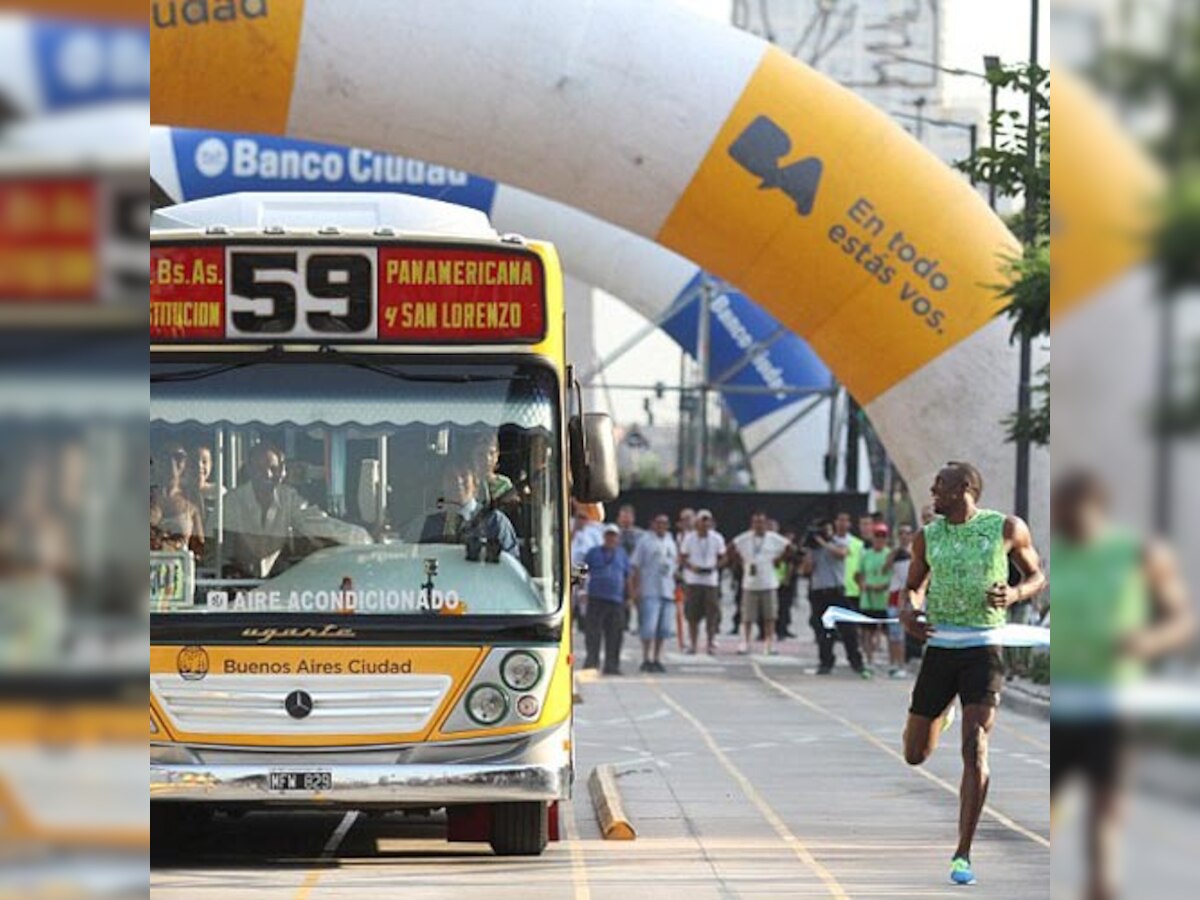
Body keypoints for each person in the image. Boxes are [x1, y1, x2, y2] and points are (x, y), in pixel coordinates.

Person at [900, 461, 1046, 887]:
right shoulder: (928, 536)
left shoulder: (1006, 528)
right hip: (941, 648)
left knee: (976, 746)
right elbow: (912, 587)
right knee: (914, 754)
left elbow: (1037, 575)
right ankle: (941, 714)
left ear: (963, 488)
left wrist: (1016, 591)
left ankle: (963, 852)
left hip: (984, 647)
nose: (932, 490)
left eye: (939, 485)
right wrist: (909, 612)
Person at [1050, 470, 1193, 900]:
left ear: (1095, 509)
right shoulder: (1059, 551)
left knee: (1106, 804)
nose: (1066, 525)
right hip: (1063, 699)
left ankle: (1102, 886)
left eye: (1072, 515)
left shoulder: (1138, 552)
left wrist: (1148, 639)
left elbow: (1182, 619)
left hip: (1113, 700)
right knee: (1055, 808)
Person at [223, 443, 371, 579]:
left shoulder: (288, 498)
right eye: (259, 469)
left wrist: (362, 538)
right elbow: (213, 549)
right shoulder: (230, 502)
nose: (267, 475)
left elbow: (316, 522)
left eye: (273, 469)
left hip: (270, 585)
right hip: (229, 584)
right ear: (249, 470)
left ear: (283, 472)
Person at [806, 513, 867, 677]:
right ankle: (825, 661)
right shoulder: (814, 548)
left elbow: (841, 554)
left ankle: (856, 662)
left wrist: (823, 542)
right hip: (819, 592)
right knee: (823, 630)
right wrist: (810, 551)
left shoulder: (838, 542)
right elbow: (806, 569)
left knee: (848, 630)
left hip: (837, 592)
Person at [420, 459, 519, 556]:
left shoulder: (495, 522)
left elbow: (511, 563)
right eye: (451, 477)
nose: (458, 481)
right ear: (442, 485)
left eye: (464, 476)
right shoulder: (429, 523)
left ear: (475, 483)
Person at [730, 511, 791, 655]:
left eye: (761, 522)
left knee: (770, 615)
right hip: (750, 583)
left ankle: (769, 642)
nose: (759, 525)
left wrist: (779, 559)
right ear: (752, 524)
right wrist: (740, 561)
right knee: (747, 616)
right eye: (756, 522)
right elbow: (731, 547)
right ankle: (745, 641)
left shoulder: (773, 538)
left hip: (768, 582)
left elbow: (789, 547)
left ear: (766, 523)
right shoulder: (745, 538)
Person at [630, 513, 678, 673]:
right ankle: (646, 657)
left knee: (664, 628)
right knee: (649, 627)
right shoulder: (645, 541)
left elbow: (674, 566)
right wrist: (636, 588)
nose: (661, 526)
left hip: (668, 589)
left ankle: (657, 657)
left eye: (664, 523)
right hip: (650, 589)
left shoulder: (671, 541)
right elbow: (636, 565)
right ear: (653, 524)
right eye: (658, 523)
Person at [583, 524, 632, 675]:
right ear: (604, 537)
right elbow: (584, 571)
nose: (611, 538)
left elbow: (627, 576)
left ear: (617, 538)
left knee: (615, 634)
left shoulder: (622, 554)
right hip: (596, 597)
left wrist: (629, 597)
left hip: (616, 599)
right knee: (593, 632)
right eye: (608, 535)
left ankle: (612, 665)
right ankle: (592, 661)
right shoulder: (593, 552)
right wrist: (581, 592)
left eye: (614, 536)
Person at [679, 509, 726, 655]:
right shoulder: (689, 538)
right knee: (693, 615)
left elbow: (723, 557)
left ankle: (710, 643)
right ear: (697, 523)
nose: (705, 524)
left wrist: (715, 567)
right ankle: (693, 644)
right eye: (702, 521)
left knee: (712, 614)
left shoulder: (717, 538)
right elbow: (682, 557)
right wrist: (692, 567)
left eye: (708, 521)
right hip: (693, 580)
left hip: (710, 581)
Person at [150, 444, 204, 558]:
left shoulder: (191, 499)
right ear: (156, 461)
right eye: (165, 457)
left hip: (180, 570)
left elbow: (199, 550)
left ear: (185, 463)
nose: (171, 463)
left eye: (178, 457)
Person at [857, 523, 892, 669]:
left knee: (888, 631)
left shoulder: (889, 554)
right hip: (868, 598)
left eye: (883, 536)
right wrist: (863, 584)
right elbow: (859, 574)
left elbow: (893, 576)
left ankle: (891, 661)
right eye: (877, 535)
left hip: (884, 598)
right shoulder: (867, 555)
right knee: (867, 631)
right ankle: (869, 659)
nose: (880, 539)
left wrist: (882, 586)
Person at [884, 523, 915, 678]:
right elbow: (885, 568)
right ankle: (893, 663)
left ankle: (901, 663)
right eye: (901, 533)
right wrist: (895, 551)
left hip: (908, 596)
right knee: (893, 633)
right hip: (894, 595)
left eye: (907, 533)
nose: (904, 536)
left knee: (902, 633)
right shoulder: (895, 553)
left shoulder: (915, 553)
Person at [617, 504, 645, 633]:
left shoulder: (641, 535)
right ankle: (622, 623)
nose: (626, 520)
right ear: (619, 519)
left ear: (633, 518)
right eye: (623, 517)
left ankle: (639, 624)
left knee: (637, 597)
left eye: (628, 517)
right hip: (619, 571)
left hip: (636, 571)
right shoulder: (613, 533)